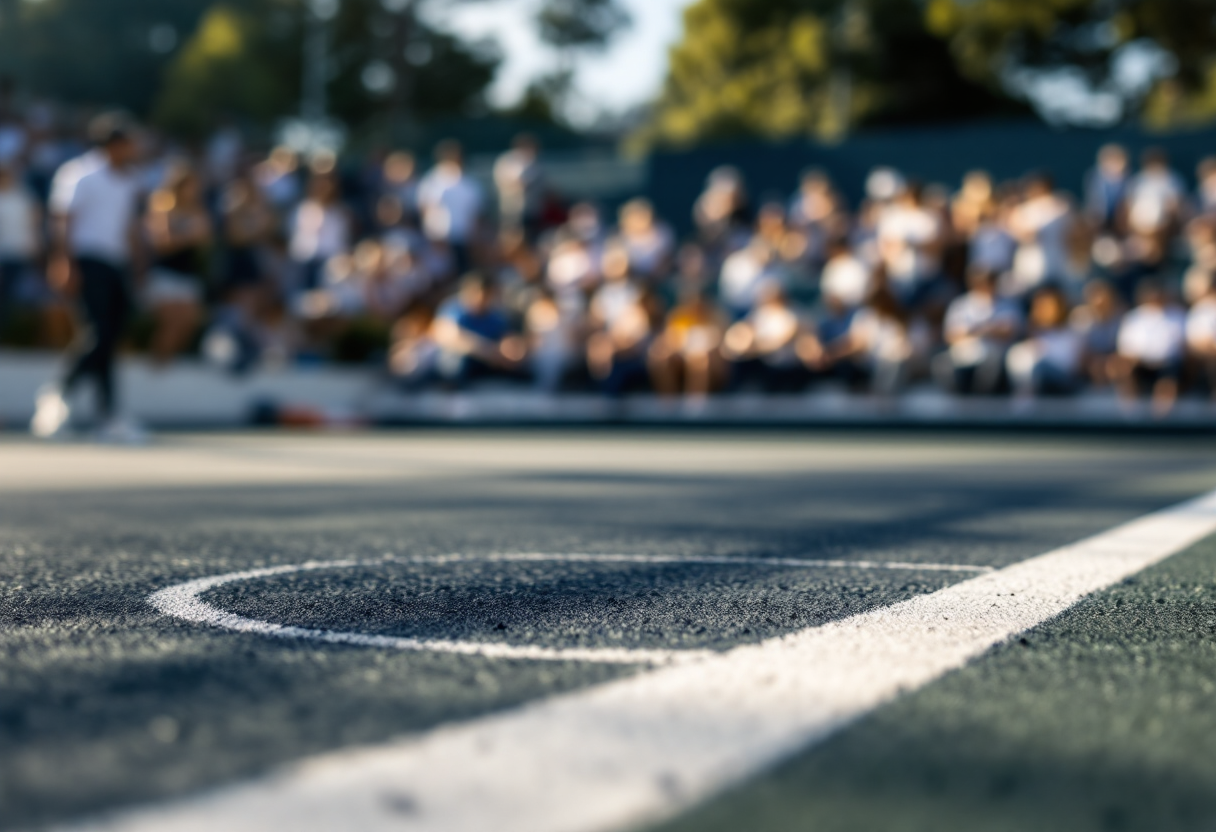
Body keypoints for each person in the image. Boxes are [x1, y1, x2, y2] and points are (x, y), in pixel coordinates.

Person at [32, 113, 145, 442]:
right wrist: (63, 262)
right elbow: (63, 220)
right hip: (87, 259)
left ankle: (107, 414)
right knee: (98, 332)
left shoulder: (131, 180)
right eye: (127, 144)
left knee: (110, 338)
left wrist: (137, 266)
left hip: (116, 263)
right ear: (113, 144)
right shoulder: (79, 174)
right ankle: (58, 393)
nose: (132, 149)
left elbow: (130, 228)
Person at [144, 163, 212, 366]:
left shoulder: (199, 210)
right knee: (171, 323)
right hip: (165, 275)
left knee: (189, 322)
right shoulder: (162, 207)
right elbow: (163, 243)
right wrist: (189, 236)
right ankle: (156, 368)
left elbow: (205, 240)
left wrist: (185, 238)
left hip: (188, 275)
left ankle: (166, 365)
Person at [934, 267, 1022, 395]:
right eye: (981, 283)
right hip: (964, 354)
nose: (986, 287)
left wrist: (978, 330)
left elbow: (1010, 331)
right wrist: (985, 330)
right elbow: (950, 335)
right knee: (941, 363)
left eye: (989, 282)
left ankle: (982, 401)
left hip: (996, 355)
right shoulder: (960, 304)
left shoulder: (1008, 304)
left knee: (991, 361)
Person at [431, 272, 526, 387]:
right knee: (457, 363)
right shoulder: (454, 308)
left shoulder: (495, 315)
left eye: (487, 295)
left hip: (485, 364)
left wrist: (511, 350)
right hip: (456, 363)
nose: (481, 299)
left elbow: (506, 338)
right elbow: (450, 337)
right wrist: (489, 352)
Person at [1109, 279, 1186, 415]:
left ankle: (1161, 419)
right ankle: (1130, 414)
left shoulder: (1178, 314)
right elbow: (1125, 348)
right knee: (1121, 367)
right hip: (1140, 364)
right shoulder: (1133, 317)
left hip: (1169, 364)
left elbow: (1182, 346)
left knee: (1168, 378)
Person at [417, 140, 483, 276]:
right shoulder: (431, 181)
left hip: (464, 239)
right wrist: (432, 235)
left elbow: (475, 213)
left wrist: (474, 238)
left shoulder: (469, 183)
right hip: (439, 240)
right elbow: (425, 208)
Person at [1006, 286, 1083, 397]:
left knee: (1040, 368)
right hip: (1032, 396)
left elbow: (1074, 369)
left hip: (1065, 387)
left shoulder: (1073, 333)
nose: (1043, 310)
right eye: (1040, 306)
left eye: (1048, 306)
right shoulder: (1028, 339)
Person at [0, 163, 41, 336]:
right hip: (3, 253)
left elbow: (34, 224)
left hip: (18, 253)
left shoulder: (24, 197)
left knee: (8, 294)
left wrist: (36, 246)